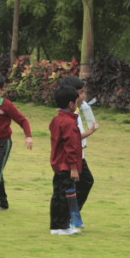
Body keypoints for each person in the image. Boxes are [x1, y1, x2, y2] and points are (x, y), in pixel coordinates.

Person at [0, 73, 33, 211]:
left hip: (3, 143)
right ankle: (3, 203)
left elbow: (22, 120)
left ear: (2, 90)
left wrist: (28, 136)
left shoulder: (7, 105)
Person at [60, 77, 99, 211]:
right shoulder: (69, 116)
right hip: (73, 156)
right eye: (81, 92)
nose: (83, 96)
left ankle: (72, 215)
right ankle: (68, 216)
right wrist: (90, 132)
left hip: (78, 155)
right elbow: (72, 139)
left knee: (83, 183)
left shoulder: (76, 113)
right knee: (79, 185)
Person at [50, 85, 83, 235]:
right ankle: (63, 226)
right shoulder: (69, 123)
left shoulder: (56, 119)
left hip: (58, 163)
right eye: (76, 102)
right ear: (71, 104)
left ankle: (56, 226)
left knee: (57, 195)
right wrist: (74, 168)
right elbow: (71, 147)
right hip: (66, 165)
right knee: (66, 195)